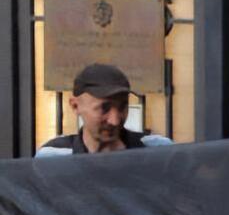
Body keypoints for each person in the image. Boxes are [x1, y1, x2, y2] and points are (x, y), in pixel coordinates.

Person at [35, 64, 174, 156]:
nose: (115, 120)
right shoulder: (53, 156)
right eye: (104, 108)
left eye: (123, 107)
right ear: (75, 106)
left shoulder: (159, 151)